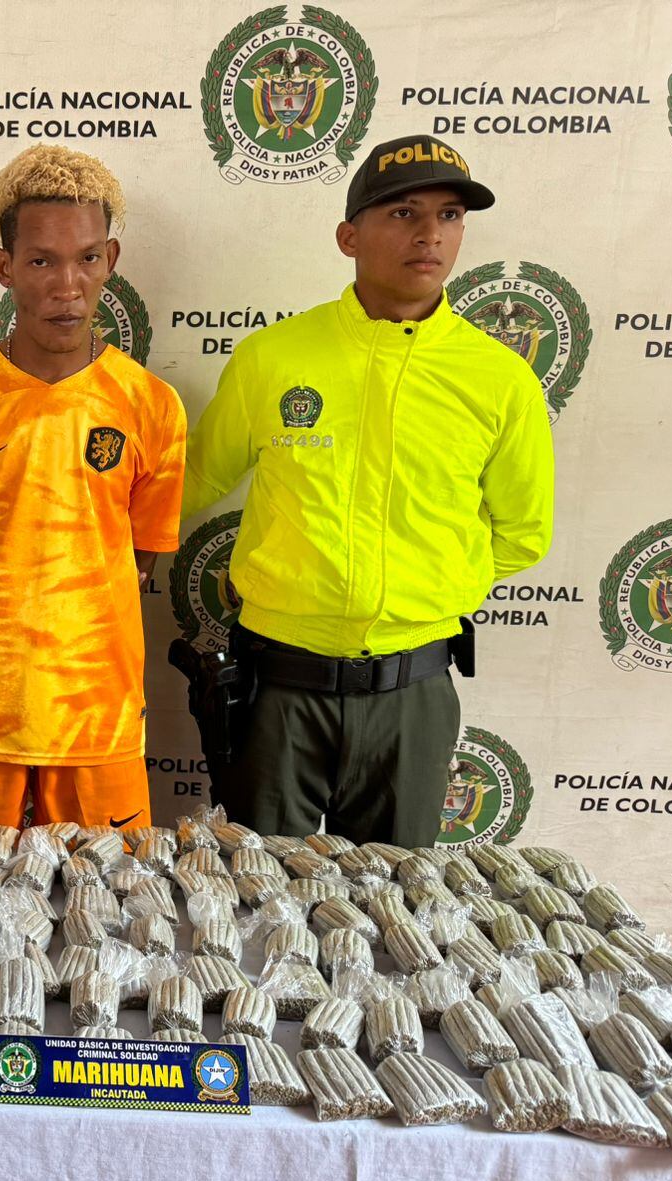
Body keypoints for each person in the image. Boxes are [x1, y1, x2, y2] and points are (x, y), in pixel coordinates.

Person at [181, 134, 555, 847]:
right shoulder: (274, 357)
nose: (429, 235)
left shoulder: (500, 379)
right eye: (404, 213)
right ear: (349, 236)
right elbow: (197, 479)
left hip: (412, 697)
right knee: (256, 902)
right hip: (277, 690)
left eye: (449, 216)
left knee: (390, 912)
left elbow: (523, 532)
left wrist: (427, 587)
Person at [0, 144, 187, 837]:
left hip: (99, 722)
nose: (68, 284)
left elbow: (138, 558)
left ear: (111, 260)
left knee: (110, 920)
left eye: (88, 258)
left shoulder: (152, 406)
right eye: (41, 261)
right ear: (5, 268)